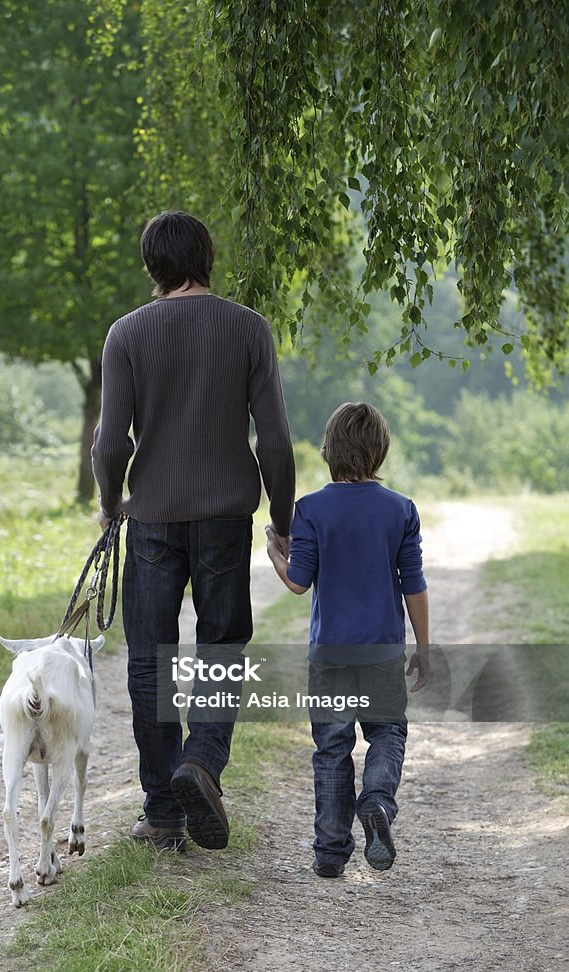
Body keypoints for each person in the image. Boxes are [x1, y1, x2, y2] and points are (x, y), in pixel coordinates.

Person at [92, 210, 295, 852]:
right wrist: (283, 523)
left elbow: (108, 441)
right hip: (225, 516)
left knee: (150, 658)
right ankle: (201, 762)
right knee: (221, 645)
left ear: (153, 267)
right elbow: (276, 440)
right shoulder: (249, 329)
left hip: (150, 515)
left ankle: (161, 812)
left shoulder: (126, 334)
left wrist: (108, 503)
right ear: (208, 257)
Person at [265, 401, 429, 877]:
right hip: (382, 652)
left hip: (330, 654)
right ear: (380, 452)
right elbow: (413, 583)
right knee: (388, 732)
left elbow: (298, 582)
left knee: (332, 748)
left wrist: (277, 552)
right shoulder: (401, 509)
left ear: (329, 450)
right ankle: (376, 801)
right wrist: (424, 646)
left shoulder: (311, 509)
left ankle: (331, 852)